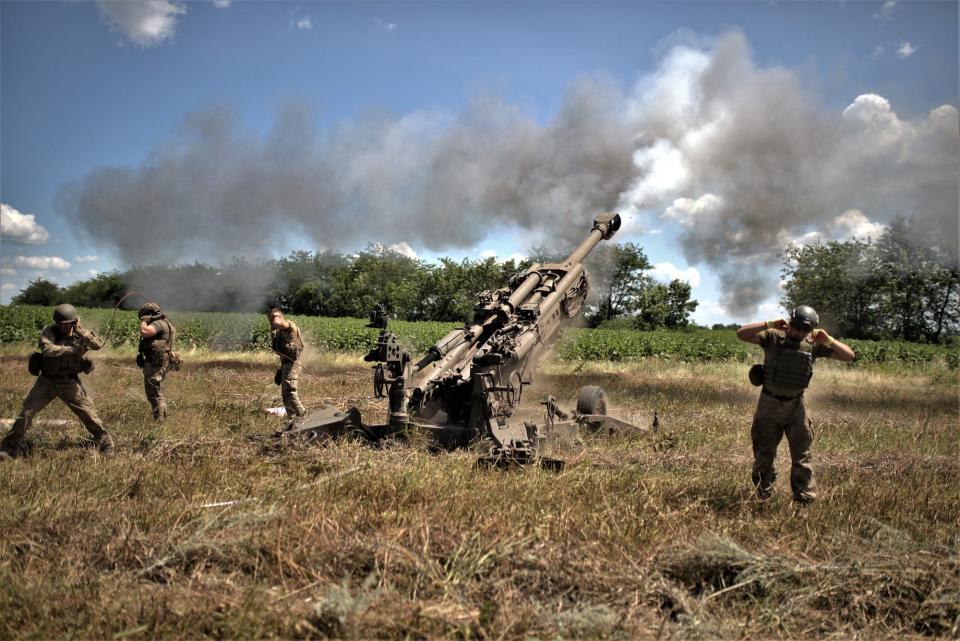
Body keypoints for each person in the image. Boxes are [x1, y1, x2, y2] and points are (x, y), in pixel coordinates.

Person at [736, 305, 855, 503]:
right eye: (795, 327)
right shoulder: (774, 337)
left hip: (796, 406)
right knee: (764, 455)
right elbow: (741, 334)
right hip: (769, 403)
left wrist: (829, 340)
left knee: (802, 457)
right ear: (789, 323)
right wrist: (768, 324)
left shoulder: (813, 345)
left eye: (804, 330)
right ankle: (763, 495)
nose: (798, 332)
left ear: (811, 330)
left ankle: (804, 500)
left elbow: (848, 356)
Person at [0, 304, 114, 457]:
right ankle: (8, 447)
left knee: (89, 415)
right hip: (47, 381)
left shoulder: (81, 333)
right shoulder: (50, 331)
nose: (61, 327)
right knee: (26, 414)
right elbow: (48, 349)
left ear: (73, 322)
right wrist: (72, 350)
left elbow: (98, 344)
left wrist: (80, 331)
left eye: (65, 324)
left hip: (69, 383)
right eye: (59, 323)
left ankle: (105, 443)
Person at [138, 302, 177, 421]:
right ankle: (159, 420)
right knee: (155, 392)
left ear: (150, 314)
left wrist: (144, 321)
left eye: (145, 316)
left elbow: (145, 331)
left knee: (155, 393)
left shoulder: (159, 323)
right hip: (157, 361)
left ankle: (160, 422)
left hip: (156, 363)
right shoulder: (164, 323)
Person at [268, 307, 306, 419]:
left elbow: (278, 322)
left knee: (290, 392)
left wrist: (274, 316)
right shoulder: (279, 333)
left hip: (292, 365)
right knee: (285, 396)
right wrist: (281, 369)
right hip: (286, 365)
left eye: (272, 317)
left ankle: (304, 416)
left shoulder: (289, 326)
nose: (271, 320)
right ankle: (292, 420)